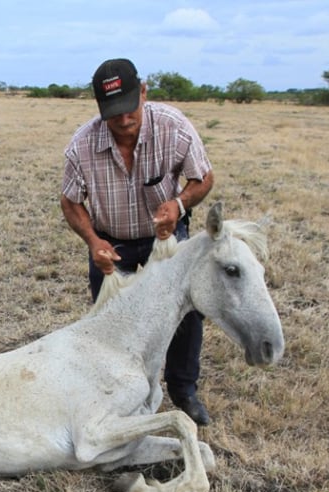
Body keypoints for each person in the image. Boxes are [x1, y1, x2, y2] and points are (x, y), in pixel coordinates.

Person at [60, 59, 215, 425]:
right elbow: (70, 201)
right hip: (111, 241)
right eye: (113, 114)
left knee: (185, 313)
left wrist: (178, 204)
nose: (124, 120)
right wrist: (93, 240)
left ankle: (183, 389)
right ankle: (111, 390)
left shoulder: (173, 128)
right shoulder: (82, 146)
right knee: (109, 318)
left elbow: (203, 178)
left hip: (167, 234)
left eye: (130, 109)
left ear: (143, 92)